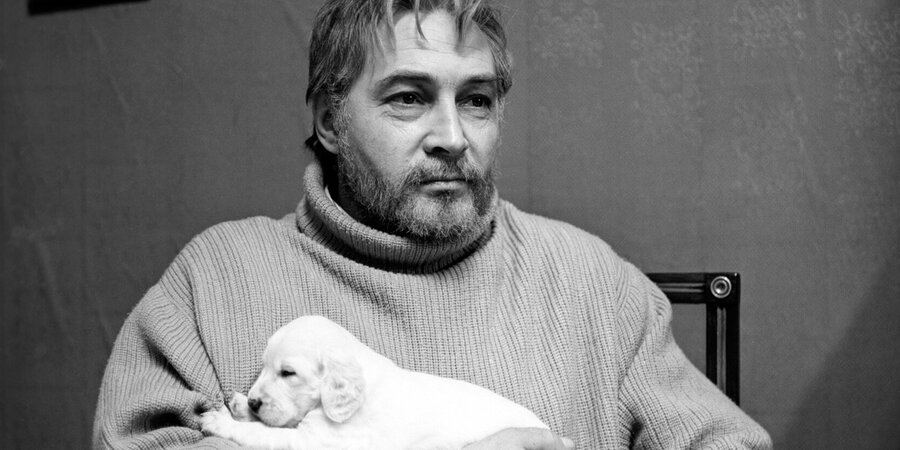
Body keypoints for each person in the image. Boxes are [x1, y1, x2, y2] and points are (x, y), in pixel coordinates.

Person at [93, 0, 773, 448]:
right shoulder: (214, 279)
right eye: (409, 97)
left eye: (476, 100)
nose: (452, 136)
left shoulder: (594, 282)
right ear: (330, 121)